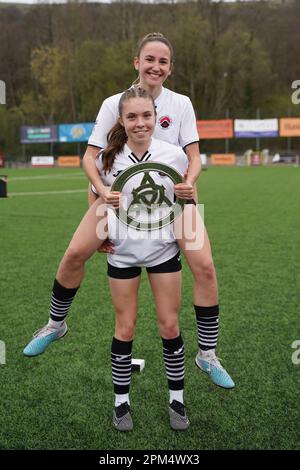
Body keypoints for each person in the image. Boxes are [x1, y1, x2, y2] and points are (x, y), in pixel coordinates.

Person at [23, 32, 234, 390]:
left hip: (175, 198)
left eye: (163, 61)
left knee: (206, 267)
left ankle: (207, 354)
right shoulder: (112, 104)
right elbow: (91, 158)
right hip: (119, 196)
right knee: (75, 253)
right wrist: (101, 194)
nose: (156, 66)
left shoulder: (181, 104)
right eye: (149, 59)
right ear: (137, 62)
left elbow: (195, 157)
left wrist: (190, 180)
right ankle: (56, 325)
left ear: (170, 68)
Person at [100, 86, 189, 430]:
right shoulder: (106, 160)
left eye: (146, 115)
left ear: (156, 117)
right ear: (122, 120)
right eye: (132, 117)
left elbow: (186, 200)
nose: (140, 123)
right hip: (121, 254)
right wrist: (98, 235)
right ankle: (121, 404)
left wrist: (188, 235)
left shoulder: (174, 155)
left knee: (169, 325)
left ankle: (177, 400)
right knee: (125, 327)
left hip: (164, 251)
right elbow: (94, 198)